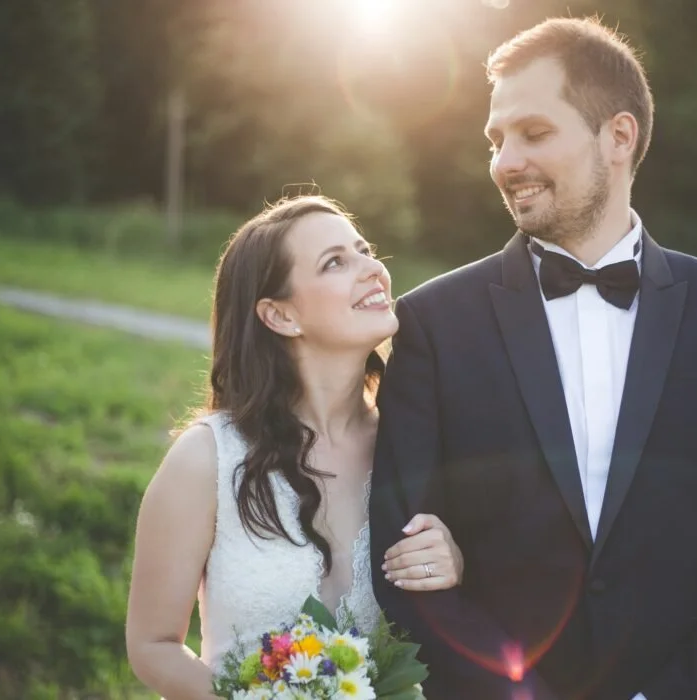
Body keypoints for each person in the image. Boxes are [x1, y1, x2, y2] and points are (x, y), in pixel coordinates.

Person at [372, 17, 697, 700]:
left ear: (618, 136)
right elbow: (404, 563)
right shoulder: (431, 323)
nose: (504, 161)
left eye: (534, 133)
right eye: (496, 139)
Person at [125, 196, 465, 699]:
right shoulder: (207, 460)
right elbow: (152, 645)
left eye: (364, 249)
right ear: (280, 315)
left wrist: (457, 564)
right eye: (335, 262)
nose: (372, 268)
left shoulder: (420, 445)